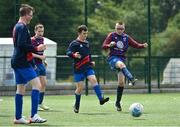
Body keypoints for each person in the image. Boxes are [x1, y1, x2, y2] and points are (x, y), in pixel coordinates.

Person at [11, 4, 47, 124]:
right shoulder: (22, 27)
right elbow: (22, 45)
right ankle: (34, 115)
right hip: (22, 62)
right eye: (31, 15)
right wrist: (37, 48)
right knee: (37, 85)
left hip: (17, 61)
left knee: (20, 89)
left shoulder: (18, 26)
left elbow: (21, 46)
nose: (31, 17)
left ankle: (18, 117)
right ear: (26, 15)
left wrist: (33, 60)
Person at [102, 21, 148, 111]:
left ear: (124, 29)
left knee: (121, 83)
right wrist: (109, 45)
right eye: (118, 28)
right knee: (121, 64)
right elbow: (103, 46)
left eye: (121, 29)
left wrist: (143, 45)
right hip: (113, 58)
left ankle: (117, 103)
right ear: (115, 28)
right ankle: (131, 78)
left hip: (122, 59)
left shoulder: (126, 37)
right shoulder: (111, 35)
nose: (120, 30)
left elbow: (135, 44)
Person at [67, 25, 109, 113]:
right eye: (83, 33)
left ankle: (101, 99)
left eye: (86, 33)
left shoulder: (87, 43)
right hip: (78, 68)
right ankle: (77, 105)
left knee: (94, 80)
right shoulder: (74, 43)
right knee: (80, 88)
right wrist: (74, 55)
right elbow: (68, 52)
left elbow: (88, 54)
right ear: (79, 33)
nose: (85, 35)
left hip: (87, 67)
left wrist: (91, 61)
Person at [31, 23, 49, 111]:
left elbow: (40, 51)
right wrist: (40, 57)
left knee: (44, 83)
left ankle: (40, 103)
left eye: (42, 31)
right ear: (35, 31)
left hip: (41, 64)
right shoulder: (32, 40)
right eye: (39, 31)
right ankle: (36, 105)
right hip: (34, 64)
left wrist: (44, 60)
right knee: (37, 85)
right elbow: (30, 53)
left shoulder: (42, 39)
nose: (41, 33)